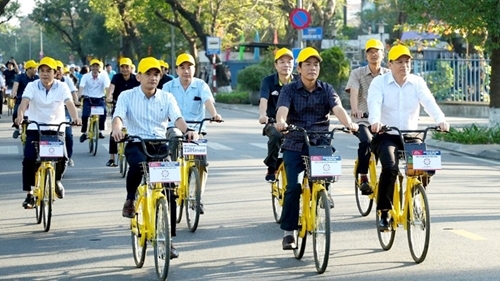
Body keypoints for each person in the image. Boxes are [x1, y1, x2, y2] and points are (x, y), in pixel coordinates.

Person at [111, 57, 198, 259]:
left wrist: (188, 131)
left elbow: (177, 118)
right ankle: (130, 199)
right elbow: (118, 117)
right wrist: (116, 129)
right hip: (135, 141)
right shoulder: (126, 96)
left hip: (159, 144)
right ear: (138, 76)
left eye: (156, 74)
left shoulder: (166, 98)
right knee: (138, 166)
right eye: (148, 74)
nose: (152, 78)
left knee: (169, 188)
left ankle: (170, 240)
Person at [275, 47, 358, 250]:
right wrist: (281, 122)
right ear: (300, 68)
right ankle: (289, 231)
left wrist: (349, 124)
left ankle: (324, 192)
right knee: (293, 186)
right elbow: (282, 110)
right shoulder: (289, 89)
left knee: (324, 178)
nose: (313, 68)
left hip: (320, 142)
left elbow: (338, 108)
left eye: (316, 64)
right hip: (294, 142)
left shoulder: (327, 89)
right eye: (308, 64)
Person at [367, 45, 450, 231]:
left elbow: (429, 102)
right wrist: (375, 121)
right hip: (386, 135)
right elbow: (374, 103)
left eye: (407, 62)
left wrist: (441, 120)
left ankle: (414, 195)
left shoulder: (417, 82)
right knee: (390, 168)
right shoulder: (379, 83)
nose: (404, 65)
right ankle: (385, 212)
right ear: (390, 64)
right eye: (399, 62)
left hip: (411, 136)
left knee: (426, 168)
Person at [15, 57, 82, 209]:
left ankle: (57, 180)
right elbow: (24, 102)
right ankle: (29, 194)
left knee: (63, 158)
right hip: (35, 128)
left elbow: (69, 103)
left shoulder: (62, 86)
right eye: (42, 71)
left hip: (55, 129)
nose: (45, 74)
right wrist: (20, 116)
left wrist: (75, 118)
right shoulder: (32, 86)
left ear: (55, 72)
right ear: (38, 72)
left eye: (48, 71)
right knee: (29, 159)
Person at [163, 53, 222, 214]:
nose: (186, 71)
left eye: (189, 67)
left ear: (194, 69)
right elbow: (162, 105)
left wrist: (215, 114)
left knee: (202, 163)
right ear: (177, 70)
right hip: (173, 126)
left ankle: (197, 197)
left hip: (196, 130)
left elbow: (207, 101)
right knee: (174, 137)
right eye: (182, 67)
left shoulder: (201, 85)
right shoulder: (168, 87)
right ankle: (174, 174)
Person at [345, 39, 390, 194]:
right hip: (363, 118)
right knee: (367, 140)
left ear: (383, 55)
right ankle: (363, 176)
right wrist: (355, 109)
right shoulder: (357, 73)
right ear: (366, 55)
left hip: (383, 120)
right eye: (370, 52)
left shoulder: (388, 74)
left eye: (377, 51)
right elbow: (354, 92)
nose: (374, 54)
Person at [258, 48, 297, 182]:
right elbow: (263, 100)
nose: (286, 65)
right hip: (273, 121)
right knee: (276, 135)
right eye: (282, 62)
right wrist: (263, 115)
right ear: (276, 65)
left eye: (289, 62)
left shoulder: (299, 81)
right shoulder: (268, 81)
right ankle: (272, 167)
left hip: (296, 122)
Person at [105, 57, 140, 167]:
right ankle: (112, 158)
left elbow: (140, 91)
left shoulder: (135, 79)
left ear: (131, 68)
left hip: (133, 109)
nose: (124, 69)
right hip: (119, 107)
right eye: (122, 67)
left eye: (127, 67)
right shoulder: (116, 77)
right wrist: (109, 97)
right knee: (114, 132)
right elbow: (111, 89)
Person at [78, 59, 110, 142]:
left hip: (100, 99)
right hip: (88, 99)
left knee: (104, 113)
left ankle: (100, 131)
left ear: (99, 68)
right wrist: (79, 96)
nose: (95, 68)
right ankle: (84, 132)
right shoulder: (86, 76)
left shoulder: (103, 76)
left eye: (97, 66)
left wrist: (109, 96)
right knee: (85, 116)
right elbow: (81, 87)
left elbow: (107, 87)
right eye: (93, 66)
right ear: (90, 67)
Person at [11, 60, 39, 138]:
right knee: (16, 113)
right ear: (29, 69)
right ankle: (17, 128)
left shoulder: (37, 78)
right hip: (21, 100)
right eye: (34, 68)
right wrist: (13, 93)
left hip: (32, 101)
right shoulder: (19, 77)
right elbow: (15, 86)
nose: (36, 70)